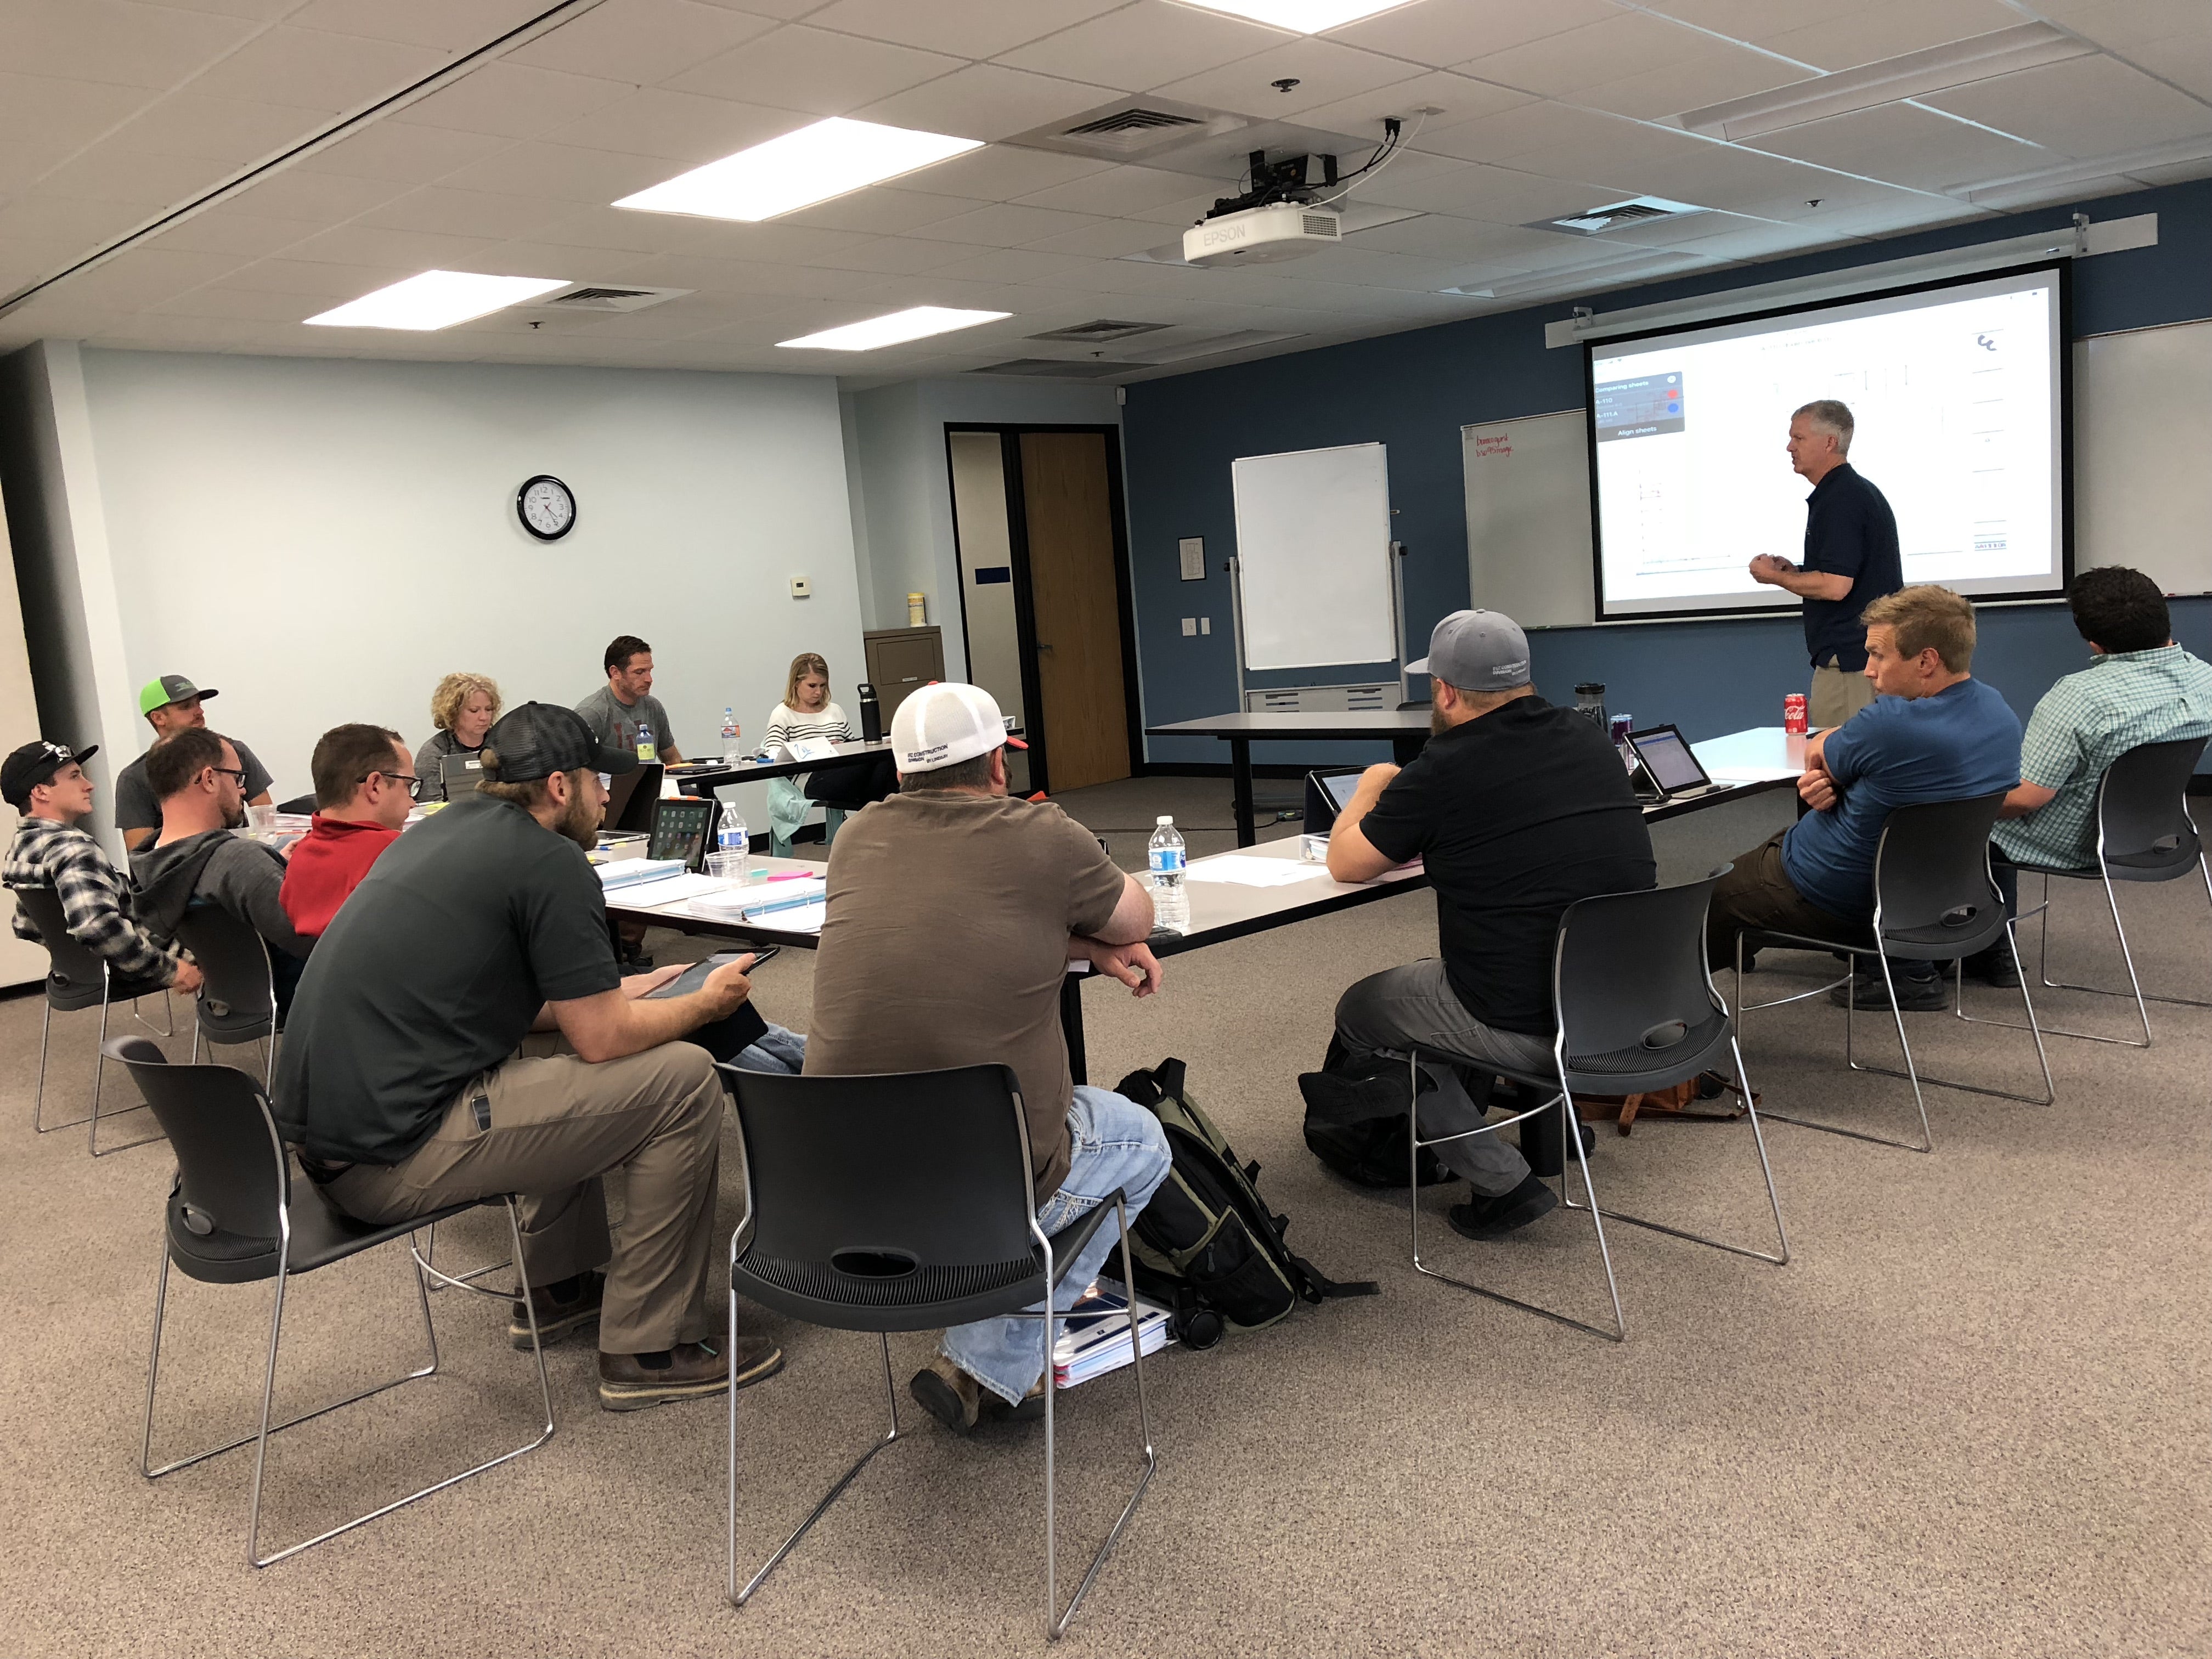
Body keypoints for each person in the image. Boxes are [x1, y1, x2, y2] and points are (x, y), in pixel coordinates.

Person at [273, 703, 782, 1412]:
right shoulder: (550, 862)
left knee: (554, 1051)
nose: (610, 796)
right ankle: (649, 1346)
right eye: (600, 780)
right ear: (559, 786)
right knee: (682, 1078)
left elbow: (520, 1006)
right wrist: (706, 1003)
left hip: (336, 1142)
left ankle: (559, 1288)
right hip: (388, 1162)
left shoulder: (445, 832)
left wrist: (623, 989)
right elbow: (602, 1040)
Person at [803, 681, 1171, 1434]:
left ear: (902, 775)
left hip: (834, 1192)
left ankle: (986, 1354)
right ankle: (987, 1361)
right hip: (978, 1182)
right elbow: (1140, 911)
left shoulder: (855, 840)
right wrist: (1100, 938)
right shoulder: (1045, 835)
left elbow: (950, 927)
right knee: (1141, 1138)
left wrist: (1074, 946)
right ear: (999, 765)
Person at [1319, 611, 1657, 1242]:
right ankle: (1552, 1128)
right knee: (1451, 974)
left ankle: (1503, 1183)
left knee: (1364, 1009)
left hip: (1534, 1026)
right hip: (1636, 1006)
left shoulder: (1442, 769)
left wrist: (1371, 787)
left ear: (1444, 691)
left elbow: (1347, 862)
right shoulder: (1589, 740)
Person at [1707, 585, 2023, 1011]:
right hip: (1938, 892)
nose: (1868, 670)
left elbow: (1816, 750)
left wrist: (1834, 768)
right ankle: (1910, 961)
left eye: (1878, 655)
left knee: (1714, 892)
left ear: (1927, 661)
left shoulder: (1890, 722)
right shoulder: (1998, 710)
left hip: (1834, 890)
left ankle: (1652, 1012)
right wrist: (1840, 784)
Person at [1995, 566, 2212, 877]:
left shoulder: (2080, 696)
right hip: (2156, 830)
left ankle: (1985, 925)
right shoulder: (2206, 679)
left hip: (2072, 844)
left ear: (2094, 643)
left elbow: (2027, 798)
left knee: (1950, 824)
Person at [1747, 400, 1904, 730]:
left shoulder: (1840, 499)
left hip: (1850, 661)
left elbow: (1835, 585)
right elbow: (1850, 572)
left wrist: (1775, 577)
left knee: (1840, 764)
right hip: (1862, 657)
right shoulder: (1854, 492)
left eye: (1799, 438)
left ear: (1830, 442)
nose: (1789, 447)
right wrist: (1796, 572)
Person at [131, 728, 314, 1008]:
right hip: (296, 993)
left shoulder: (151, 861)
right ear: (209, 779)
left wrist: (274, 862)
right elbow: (314, 942)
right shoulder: (237, 861)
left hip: (228, 995)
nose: (242, 790)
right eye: (237, 778)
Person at [3, 739, 201, 997]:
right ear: (41, 792)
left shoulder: (21, 848)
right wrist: (172, 971)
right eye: (75, 777)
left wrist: (79, 960)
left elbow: (24, 925)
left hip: (74, 974)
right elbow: (96, 927)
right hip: (134, 966)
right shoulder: (73, 849)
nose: (89, 785)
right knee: (239, 932)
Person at [280, 725, 416, 938]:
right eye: (408, 786)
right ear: (375, 786)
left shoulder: (298, 857)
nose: (413, 802)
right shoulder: (395, 854)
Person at [114, 675, 273, 851]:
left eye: (199, 704)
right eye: (186, 707)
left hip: (242, 861)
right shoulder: (134, 779)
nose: (199, 712)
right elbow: (141, 857)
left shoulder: (233, 752)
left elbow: (267, 824)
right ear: (158, 718)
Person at [764, 652, 854, 857]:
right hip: (805, 779)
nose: (818, 692)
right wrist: (817, 747)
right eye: (812, 686)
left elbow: (852, 744)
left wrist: (842, 746)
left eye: (823, 686)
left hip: (839, 771)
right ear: (796, 684)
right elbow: (772, 752)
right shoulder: (783, 713)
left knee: (879, 771)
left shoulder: (835, 711)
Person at [576, 635, 682, 764]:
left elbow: (672, 759)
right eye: (639, 672)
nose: (649, 679)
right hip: (609, 783)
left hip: (648, 782)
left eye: (649, 671)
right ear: (615, 673)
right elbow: (573, 773)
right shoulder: (592, 713)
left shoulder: (653, 707)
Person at [415, 672, 501, 803]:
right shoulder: (434, 752)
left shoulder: (502, 744)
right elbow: (430, 804)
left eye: (488, 709)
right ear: (453, 712)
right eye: (474, 710)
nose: (484, 717)